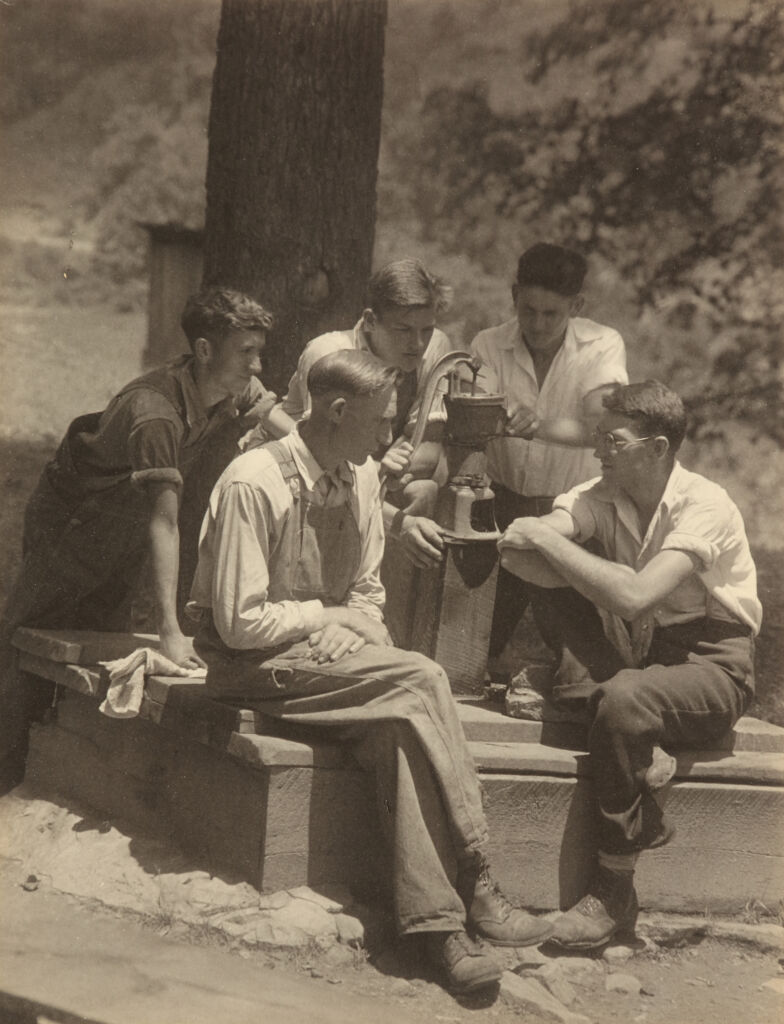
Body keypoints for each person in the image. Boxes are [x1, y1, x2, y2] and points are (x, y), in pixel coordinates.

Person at [188, 349, 553, 993]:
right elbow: (242, 623)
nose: (391, 438)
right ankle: (477, 872)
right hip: (249, 666)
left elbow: (367, 596)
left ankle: (439, 932)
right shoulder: (255, 482)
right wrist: (326, 616)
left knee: (399, 734)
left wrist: (345, 621)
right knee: (422, 678)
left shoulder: (358, 479)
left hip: (323, 659)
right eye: (382, 421)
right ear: (336, 411)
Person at [497, 380, 761, 949]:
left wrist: (556, 548)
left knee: (622, 700)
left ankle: (614, 889)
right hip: (641, 656)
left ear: (658, 447)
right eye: (598, 437)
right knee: (572, 609)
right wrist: (556, 546)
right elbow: (519, 553)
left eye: (612, 440)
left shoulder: (704, 503)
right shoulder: (600, 494)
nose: (598, 449)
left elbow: (638, 595)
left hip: (712, 665)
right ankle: (644, 747)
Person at [0, 286, 284, 789]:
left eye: (260, 351)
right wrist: (170, 631)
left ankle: (63, 769)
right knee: (27, 643)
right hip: (72, 526)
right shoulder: (154, 413)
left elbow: (281, 425)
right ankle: (7, 774)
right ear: (203, 350)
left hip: (123, 524)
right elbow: (165, 522)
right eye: (247, 352)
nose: (258, 366)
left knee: (104, 640)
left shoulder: (225, 384)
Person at [470, 243, 628, 687]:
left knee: (581, 656)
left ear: (576, 306)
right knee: (473, 645)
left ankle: (576, 688)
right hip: (501, 504)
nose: (537, 325)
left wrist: (537, 425)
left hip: (571, 513)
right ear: (514, 294)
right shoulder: (486, 343)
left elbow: (601, 425)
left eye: (551, 314)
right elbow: (473, 419)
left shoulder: (602, 343)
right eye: (528, 310)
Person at [255, 257, 458, 570]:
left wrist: (384, 470)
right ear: (370, 320)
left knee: (424, 490)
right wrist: (385, 486)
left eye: (426, 330)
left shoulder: (436, 347)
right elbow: (322, 458)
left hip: (365, 468)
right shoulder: (329, 352)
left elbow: (428, 448)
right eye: (403, 329)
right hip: (301, 468)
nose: (417, 344)